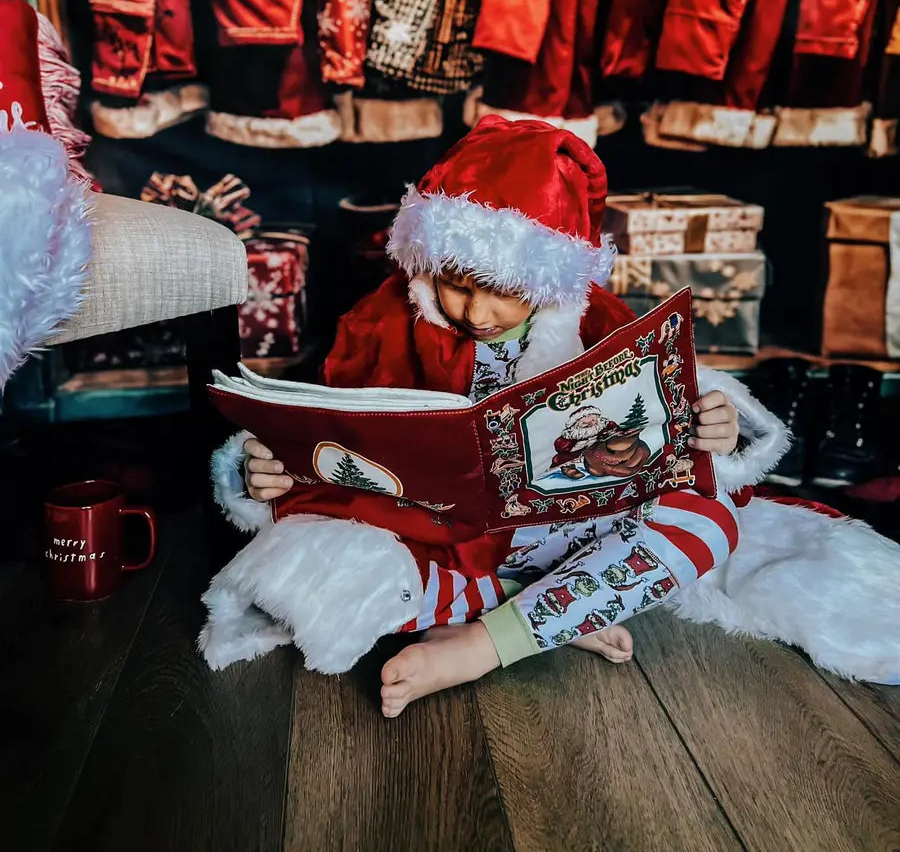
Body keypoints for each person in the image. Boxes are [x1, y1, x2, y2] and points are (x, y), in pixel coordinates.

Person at [201, 117, 900, 699]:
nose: (473, 312)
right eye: (453, 286)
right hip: (439, 539)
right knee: (328, 579)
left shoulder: (591, 318)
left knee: (707, 526)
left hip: (572, 531)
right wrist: (270, 472)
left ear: (546, 277)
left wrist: (712, 426)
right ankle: (552, 610)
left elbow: (663, 413)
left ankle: (487, 641)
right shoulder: (380, 321)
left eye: (500, 291)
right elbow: (330, 424)